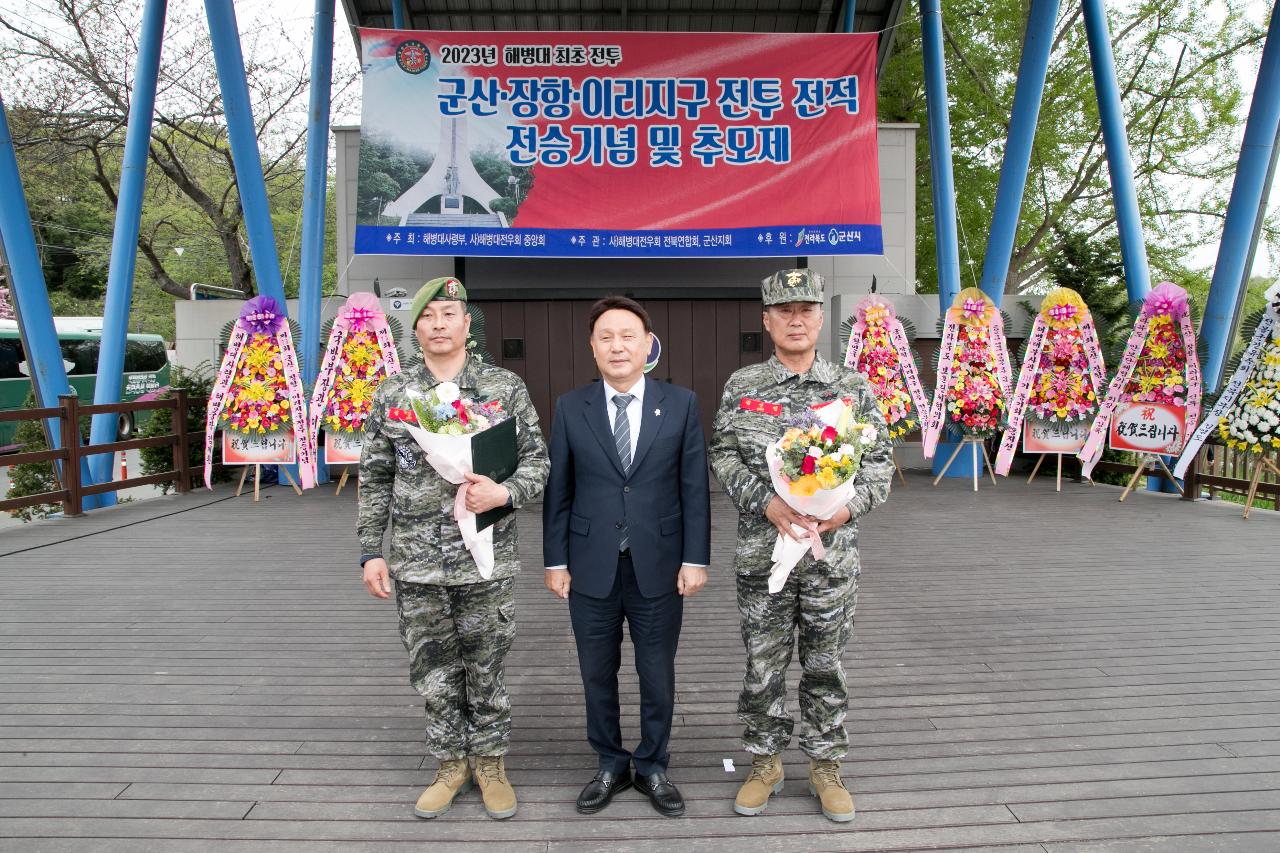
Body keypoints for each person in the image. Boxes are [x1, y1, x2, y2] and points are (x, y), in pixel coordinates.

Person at [357, 276, 549, 820]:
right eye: (428, 317)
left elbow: (539, 461)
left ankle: (490, 762)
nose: (439, 325)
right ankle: (449, 762)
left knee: (487, 665)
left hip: (486, 556)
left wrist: (505, 490)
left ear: (468, 323)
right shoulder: (394, 393)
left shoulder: (503, 387)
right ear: (414, 327)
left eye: (449, 315)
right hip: (416, 559)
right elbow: (375, 478)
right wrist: (372, 549)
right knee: (433, 667)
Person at [709, 269, 892, 823]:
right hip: (763, 556)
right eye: (784, 310)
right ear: (766, 321)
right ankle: (764, 763)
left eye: (806, 309)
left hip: (829, 560)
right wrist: (767, 504)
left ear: (820, 318)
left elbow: (879, 466)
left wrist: (842, 510)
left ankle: (825, 766)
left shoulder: (852, 388)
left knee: (825, 663)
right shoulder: (743, 386)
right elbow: (722, 455)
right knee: (762, 665)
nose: (796, 319)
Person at [543, 296, 711, 818]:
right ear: (592, 348)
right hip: (589, 562)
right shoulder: (572, 407)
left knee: (656, 671)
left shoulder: (681, 403)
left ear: (647, 345)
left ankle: (654, 764)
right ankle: (610, 762)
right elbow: (559, 491)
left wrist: (695, 558)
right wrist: (555, 561)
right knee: (597, 671)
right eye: (607, 337)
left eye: (628, 336)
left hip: (660, 563)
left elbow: (694, 490)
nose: (618, 346)